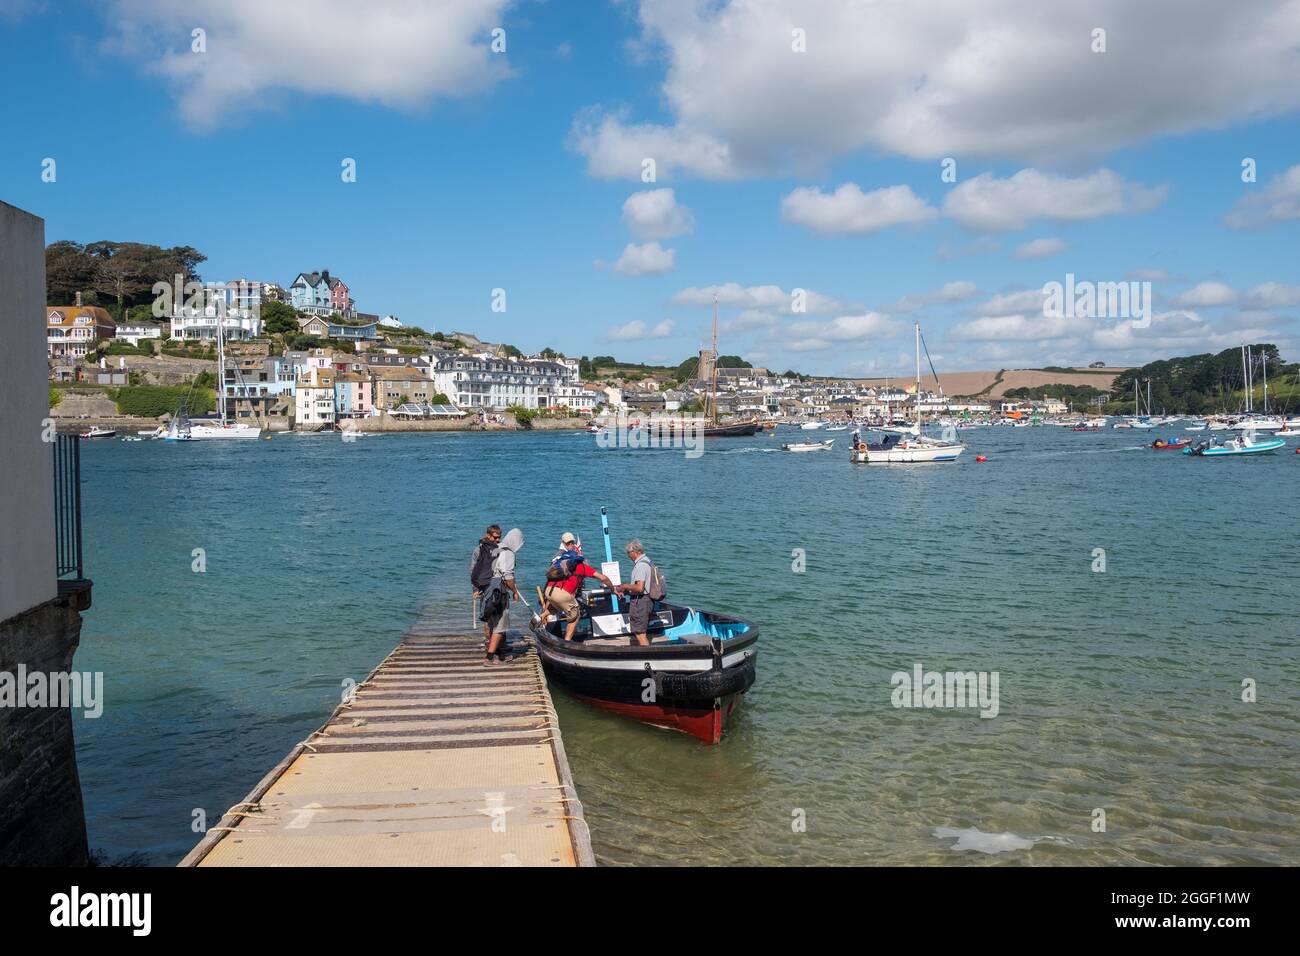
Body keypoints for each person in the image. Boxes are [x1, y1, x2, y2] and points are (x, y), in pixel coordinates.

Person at [543, 533, 613, 642]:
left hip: (549, 590)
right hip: (563, 593)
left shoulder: (559, 560)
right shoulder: (582, 566)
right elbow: (603, 578)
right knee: (575, 616)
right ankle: (567, 642)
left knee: (557, 606)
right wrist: (612, 588)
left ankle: (540, 618)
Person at [481, 528, 523, 665]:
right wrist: (515, 591)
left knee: (491, 622)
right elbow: (508, 576)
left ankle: (500, 653)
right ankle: (489, 657)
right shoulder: (508, 553)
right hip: (499, 592)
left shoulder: (495, 548)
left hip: (487, 588)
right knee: (500, 625)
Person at [615, 539, 665, 647]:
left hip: (641, 602)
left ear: (636, 552)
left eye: (629, 553)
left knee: (640, 633)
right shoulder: (648, 561)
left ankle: (648, 657)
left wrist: (625, 586)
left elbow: (639, 588)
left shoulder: (640, 565)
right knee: (642, 632)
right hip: (647, 601)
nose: (628, 556)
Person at [470, 524, 502, 646]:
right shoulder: (479, 550)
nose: (498, 540)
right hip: (484, 587)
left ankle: (493, 644)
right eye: (495, 537)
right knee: (488, 618)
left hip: (498, 587)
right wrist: (475, 589)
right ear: (488, 535)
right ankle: (489, 644)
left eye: (499, 537)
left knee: (498, 618)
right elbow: (473, 571)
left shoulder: (499, 548)